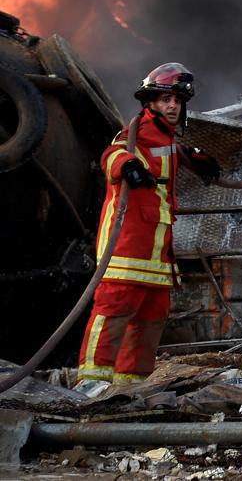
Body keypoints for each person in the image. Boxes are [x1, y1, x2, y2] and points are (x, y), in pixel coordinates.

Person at [77, 63, 220, 385]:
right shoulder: (136, 131)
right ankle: (91, 383)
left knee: (152, 318)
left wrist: (194, 157)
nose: (173, 106)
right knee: (113, 311)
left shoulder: (167, 138)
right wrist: (127, 166)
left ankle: (131, 384)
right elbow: (111, 154)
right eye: (166, 100)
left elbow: (170, 155)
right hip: (127, 248)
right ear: (151, 102)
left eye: (177, 101)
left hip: (157, 255)